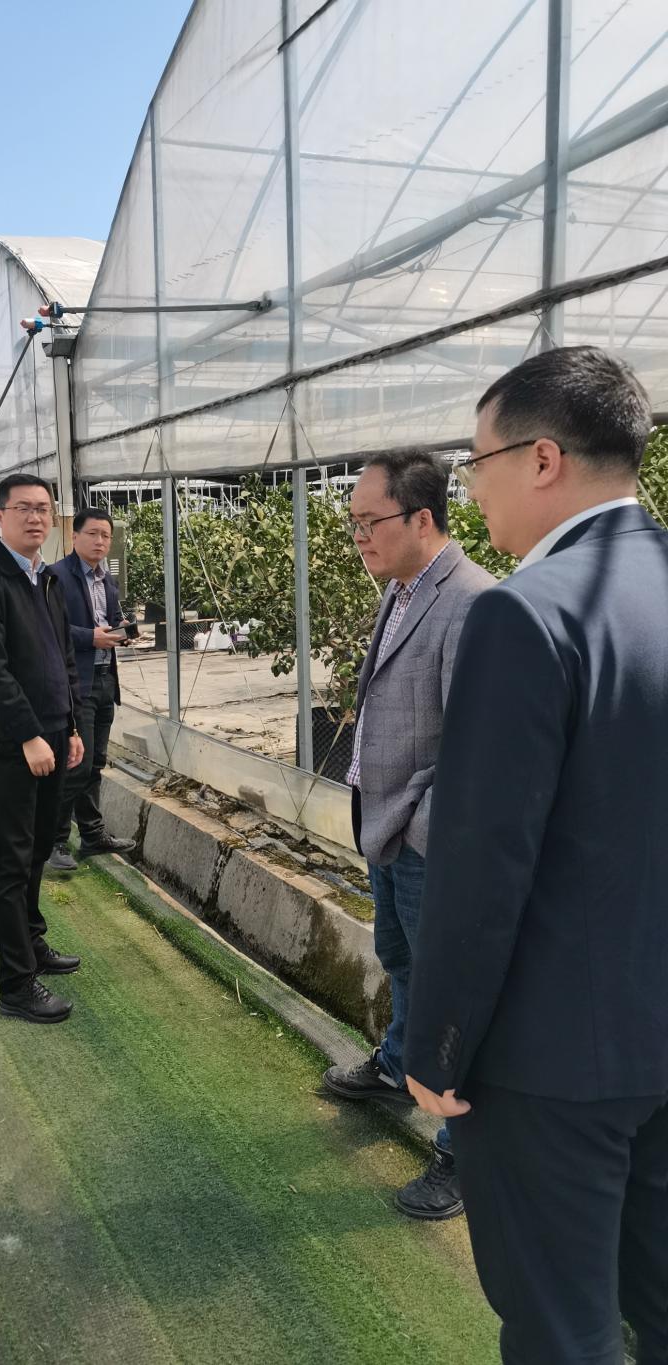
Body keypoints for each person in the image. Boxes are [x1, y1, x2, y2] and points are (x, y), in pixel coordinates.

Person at [403, 347, 668, 1364]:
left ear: (543, 458)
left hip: (554, 1061)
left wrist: (437, 1047)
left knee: (562, 1327)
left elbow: (481, 865)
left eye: (478, 462)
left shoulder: (525, 612)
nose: (473, 489)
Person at [319, 450, 494, 1220]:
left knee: (453, 997)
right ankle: (396, 1065)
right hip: (386, 828)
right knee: (401, 960)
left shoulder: (473, 602)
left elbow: (477, 752)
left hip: (426, 840)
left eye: (370, 521)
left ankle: (464, 1154)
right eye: (353, 522)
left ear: (422, 518)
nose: (359, 535)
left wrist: (419, 828)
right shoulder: (402, 587)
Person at [0, 474, 85, 1024]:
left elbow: (63, 658)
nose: (35, 518)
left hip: (53, 732)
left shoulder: (46, 579)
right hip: (13, 740)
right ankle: (16, 982)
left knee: (36, 850)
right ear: (0, 516)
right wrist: (28, 735)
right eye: (24, 508)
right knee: (10, 858)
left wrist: (71, 726)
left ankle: (31, 942)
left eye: (44, 509)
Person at [46, 508, 136, 871]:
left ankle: (92, 833)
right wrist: (90, 638)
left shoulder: (107, 580)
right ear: (75, 536)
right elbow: (47, 629)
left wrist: (121, 630)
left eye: (106, 536)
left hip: (104, 679)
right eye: (93, 534)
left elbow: (109, 623)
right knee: (76, 765)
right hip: (76, 683)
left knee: (95, 762)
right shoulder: (56, 577)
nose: (100, 541)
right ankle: (53, 841)